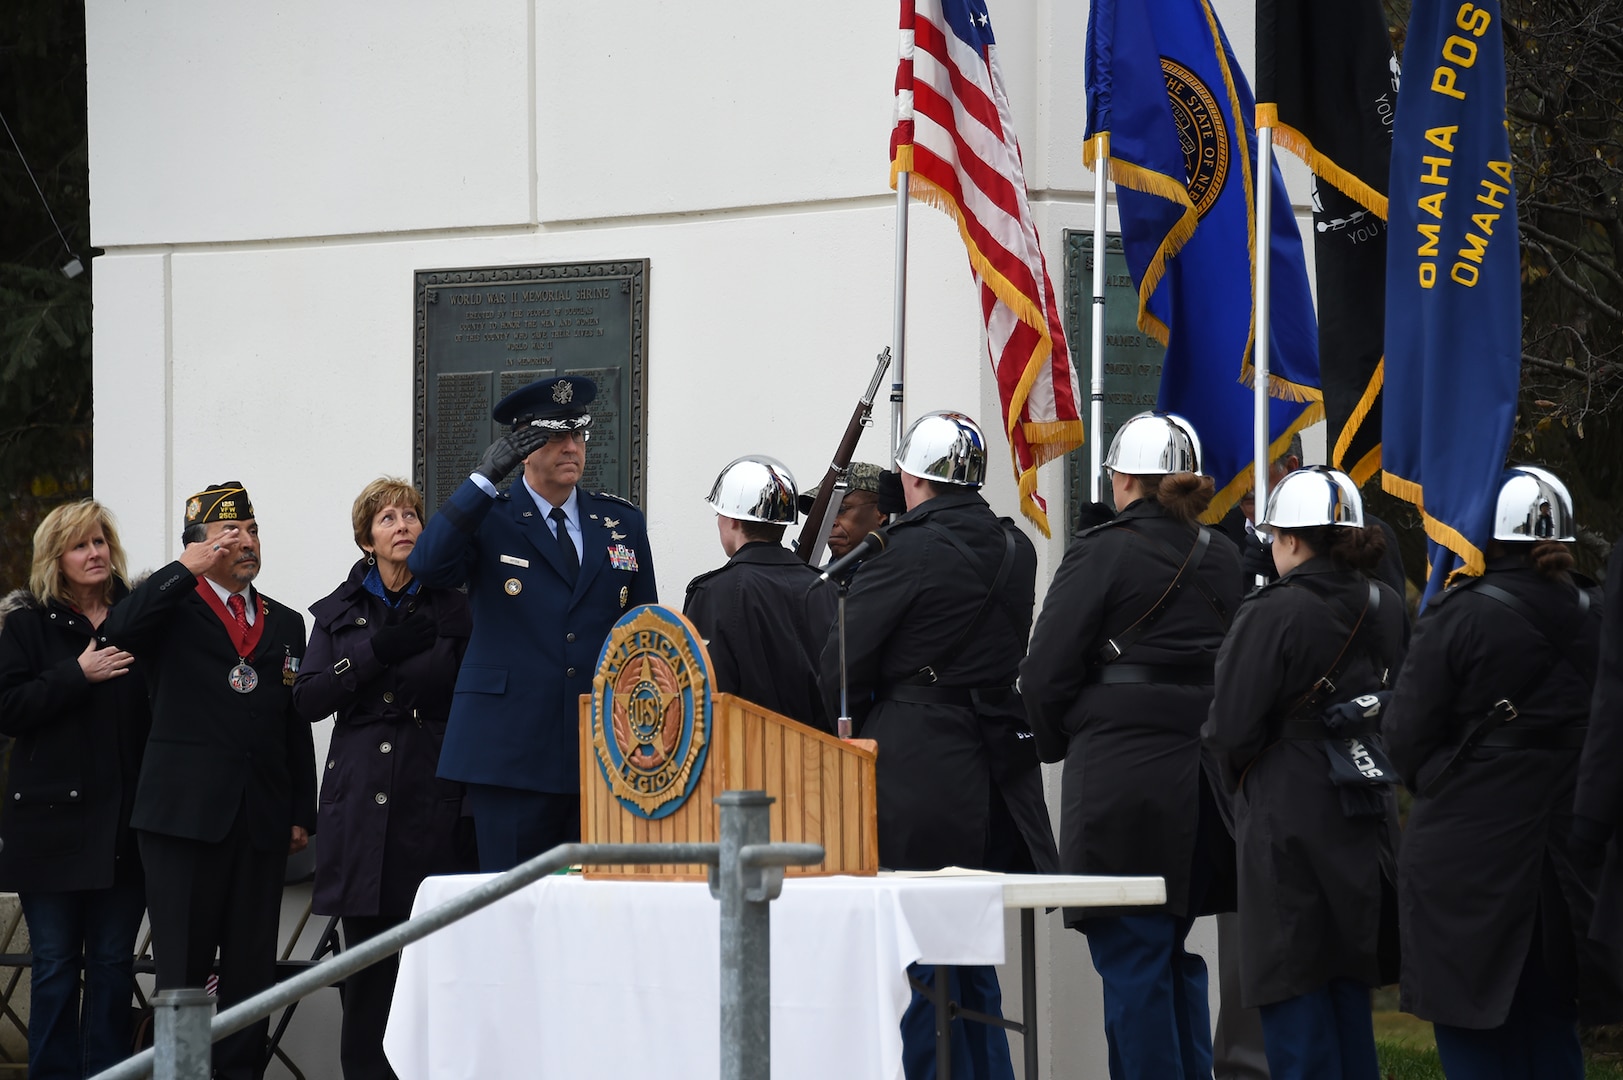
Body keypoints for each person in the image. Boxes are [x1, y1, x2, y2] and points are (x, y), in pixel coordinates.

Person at [817, 410, 1057, 1080]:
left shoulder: (904, 550)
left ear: (911, 477)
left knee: (922, 963)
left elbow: (842, 665)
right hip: (994, 764)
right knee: (971, 955)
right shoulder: (1016, 547)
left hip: (919, 764)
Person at [1021, 411, 1241, 1080]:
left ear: (1124, 480)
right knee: (1170, 956)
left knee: (1133, 962)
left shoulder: (1100, 550)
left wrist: (1062, 738)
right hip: (1199, 777)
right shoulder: (1227, 555)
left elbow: (1044, 672)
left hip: (1121, 776)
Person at [1382, 466, 1623, 1079]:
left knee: (1475, 1038)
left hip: (1470, 857)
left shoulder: (1458, 614)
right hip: (1568, 859)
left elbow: (1404, 738)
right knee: (1552, 1032)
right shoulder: (1600, 613)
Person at [100, 482, 316, 1080]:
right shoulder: (171, 607)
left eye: (251, 531)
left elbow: (292, 723)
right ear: (197, 546)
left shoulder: (285, 621)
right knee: (184, 973)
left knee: (251, 971)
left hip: (260, 819)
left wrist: (302, 808)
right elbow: (116, 632)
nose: (245, 542)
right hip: (183, 820)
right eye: (228, 534)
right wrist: (181, 569)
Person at [1202, 467, 1406, 1080]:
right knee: (1348, 994)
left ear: (1291, 540)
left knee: (1295, 999)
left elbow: (1230, 728)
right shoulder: (1386, 604)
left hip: (1288, 809)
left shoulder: (1273, 610)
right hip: (1364, 806)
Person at [409, 375, 658, 872]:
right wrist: (482, 479)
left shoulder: (619, 522)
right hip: (511, 751)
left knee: (595, 909)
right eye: (554, 436)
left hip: (600, 753)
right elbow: (428, 565)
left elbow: (642, 626)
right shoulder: (490, 516)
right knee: (515, 910)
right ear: (523, 449)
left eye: (579, 435)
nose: (571, 447)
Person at [292, 477, 478, 1080]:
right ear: (366, 538)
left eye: (412, 516)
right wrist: (379, 651)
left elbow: (475, 696)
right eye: (387, 518)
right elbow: (310, 699)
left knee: (431, 967)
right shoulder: (337, 611)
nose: (403, 525)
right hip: (359, 802)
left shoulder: (456, 605)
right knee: (368, 974)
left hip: (431, 793)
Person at [0, 501, 149, 1079]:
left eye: (101, 542)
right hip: (49, 832)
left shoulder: (134, 620)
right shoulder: (27, 623)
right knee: (57, 967)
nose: (95, 554)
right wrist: (75, 675)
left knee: (113, 966)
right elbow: (8, 708)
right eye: (81, 545)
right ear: (56, 559)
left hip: (122, 827)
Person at [684, 456, 835, 730]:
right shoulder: (828, 588)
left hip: (748, 754)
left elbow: (705, 696)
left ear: (731, 520)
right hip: (823, 756)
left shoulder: (713, 592)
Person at [797, 461, 889, 561]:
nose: (830, 522)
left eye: (840, 510)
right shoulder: (826, 574)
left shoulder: (900, 570)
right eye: (824, 513)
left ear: (881, 512)